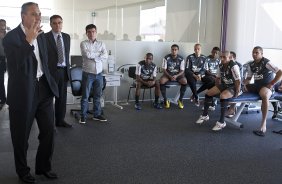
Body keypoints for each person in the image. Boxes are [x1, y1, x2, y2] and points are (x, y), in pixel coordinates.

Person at [3, 2, 59, 183]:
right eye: (34, 14)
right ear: (23, 16)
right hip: (22, 93)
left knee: (49, 130)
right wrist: (28, 40)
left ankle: (43, 167)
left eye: (39, 14)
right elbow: (15, 65)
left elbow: (46, 60)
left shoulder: (41, 36)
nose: (38, 17)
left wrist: (49, 79)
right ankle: (23, 171)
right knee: (21, 136)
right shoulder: (10, 38)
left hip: (43, 89)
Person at [196, 51, 241, 131]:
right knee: (208, 93)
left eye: (224, 57)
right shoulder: (220, 66)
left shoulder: (233, 66)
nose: (222, 59)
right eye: (221, 57)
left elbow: (238, 80)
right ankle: (205, 115)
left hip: (233, 86)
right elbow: (217, 78)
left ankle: (221, 122)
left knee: (222, 96)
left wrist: (237, 92)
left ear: (229, 57)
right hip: (224, 85)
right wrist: (217, 88)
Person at [244, 46, 282, 137]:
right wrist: (244, 83)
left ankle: (263, 124)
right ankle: (232, 109)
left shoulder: (266, 62)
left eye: (257, 53)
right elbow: (249, 78)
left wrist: (272, 83)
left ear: (261, 54)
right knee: (240, 89)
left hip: (267, 86)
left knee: (264, 94)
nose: (254, 54)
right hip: (257, 86)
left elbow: (280, 72)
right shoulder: (251, 64)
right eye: (253, 52)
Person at [45, 15, 72, 128]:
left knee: (61, 98)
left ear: (62, 23)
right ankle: (48, 122)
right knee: (48, 98)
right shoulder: (44, 37)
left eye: (59, 23)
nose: (57, 25)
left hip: (63, 71)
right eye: (54, 23)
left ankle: (60, 120)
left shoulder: (66, 37)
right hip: (50, 72)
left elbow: (66, 54)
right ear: (50, 24)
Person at [79, 24, 108, 124]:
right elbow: (87, 55)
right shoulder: (83, 43)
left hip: (99, 74)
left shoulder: (101, 44)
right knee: (85, 96)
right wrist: (99, 55)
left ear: (96, 32)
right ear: (86, 33)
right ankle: (83, 116)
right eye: (89, 32)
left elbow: (105, 56)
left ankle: (97, 114)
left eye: (93, 31)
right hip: (88, 74)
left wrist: (95, 56)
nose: (92, 34)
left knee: (97, 95)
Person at [160, 44, 187, 109]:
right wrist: (169, 76)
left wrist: (176, 76)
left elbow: (182, 70)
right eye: (173, 49)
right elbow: (164, 69)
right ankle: (165, 100)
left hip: (178, 75)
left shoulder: (181, 58)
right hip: (168, 74)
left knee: (184, 81)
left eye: (175, 50)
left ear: (178, 50)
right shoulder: (166, 57)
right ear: (171, 50)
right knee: (161, 81)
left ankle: (180, 100)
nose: (174, 51)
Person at [198, 46, 221, 111]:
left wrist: (217, 77)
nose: (215, 54)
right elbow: (206, 71)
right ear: (211, 52)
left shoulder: (219, 60)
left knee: (212, 83)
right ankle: (211, 104)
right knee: (212, 81)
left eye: (216, 53)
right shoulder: (207, 59)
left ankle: (210, 103)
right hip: (206, 76)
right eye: (213, 52)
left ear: (218, 54)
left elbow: (220, 71)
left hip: (215, 77)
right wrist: (214, 76)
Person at [225, 51, 243, 117]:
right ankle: (230, 108)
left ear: (234, 58)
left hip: (237, 84)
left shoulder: (239, 65)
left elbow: (240, 79)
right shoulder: (227, 64)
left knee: (235, 89)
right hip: (229, 83)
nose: (229, 59)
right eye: (228, 57)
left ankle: (232, 108)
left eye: (230, 57)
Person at [0, 19, 6, 109]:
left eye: (4, 24)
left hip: (3, 60)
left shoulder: (8, 35)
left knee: (1, 81)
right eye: (1, 24)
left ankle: (3, 100)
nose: (2, 26)